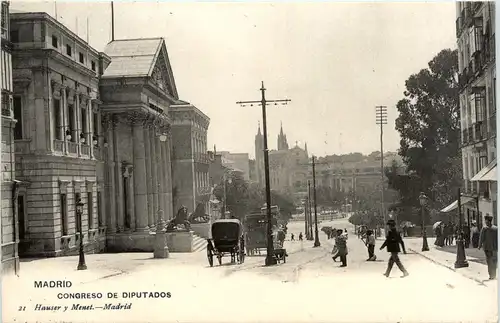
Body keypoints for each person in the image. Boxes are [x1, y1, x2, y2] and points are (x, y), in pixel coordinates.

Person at [478, 215, 497, 280]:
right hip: (495, 248)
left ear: (487, 221)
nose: (485, 222)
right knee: (494, 261)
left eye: (485, 220)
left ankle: (491, 275)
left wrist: (479, 246)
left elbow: (481, 238)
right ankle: (494, 274)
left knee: (489, 261)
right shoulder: (496, 228)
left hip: (487, 248)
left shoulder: (484, 228)